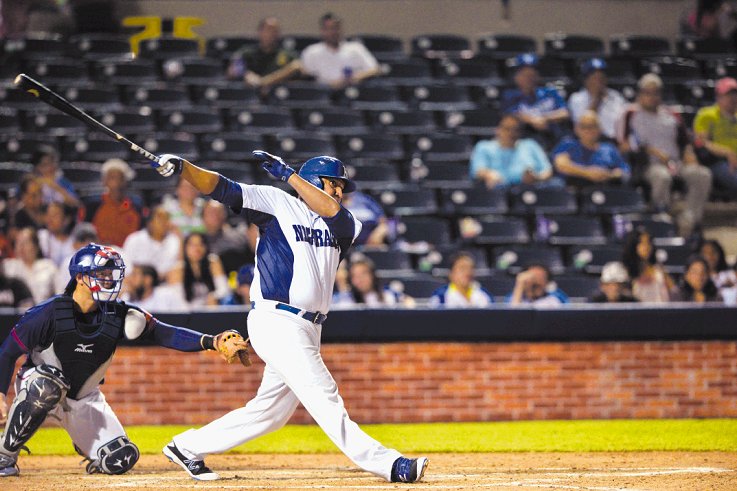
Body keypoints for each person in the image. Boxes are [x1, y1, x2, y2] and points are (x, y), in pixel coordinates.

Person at [152, 150, 428, 482]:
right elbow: (220, 187)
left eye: (342, 185)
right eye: (334, 183)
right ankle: (388, 464)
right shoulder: (276, 203)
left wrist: (290, 176)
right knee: (324, 394)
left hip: (309, 327)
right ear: (313, 181)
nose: (340, 190)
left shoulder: (345, 222)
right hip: (277, 321)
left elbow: (334, 213)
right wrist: (183, 168)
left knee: (269, 414)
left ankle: (186, 446)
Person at [0, 243, 249, 477]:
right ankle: (5, 456)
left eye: (111, 273)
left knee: (120, 458)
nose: (109, 279)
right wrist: (0, 394)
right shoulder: (47, 313)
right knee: (48, 386)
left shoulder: (120, 315)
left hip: (83, 398)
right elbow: (7, 352)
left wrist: (211, 341)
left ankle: (86, 443)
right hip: (39, 384)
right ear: (79, 278)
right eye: (101, 273)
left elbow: (166, 332)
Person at [618, 73, 712, 237]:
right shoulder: (631, 114)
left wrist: (690, 155)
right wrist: (650, 151)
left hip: (676, 163)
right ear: (640, 94)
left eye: (656, 92)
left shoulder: (672, 114)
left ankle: (689, 221)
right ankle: (663, 220)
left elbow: (685, 142)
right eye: (647, 92)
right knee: (662, 177)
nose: (652, 97)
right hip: (648, 165)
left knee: (702, 174)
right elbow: (623, 145)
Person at [469, 114, 560, 189]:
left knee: (557, 184)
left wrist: (536, 178)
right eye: (507, 129)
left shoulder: (530, 145)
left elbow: (547, 171)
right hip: (499, 187)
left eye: (515, 130)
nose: (511, 133)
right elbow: (478, 170)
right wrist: (488, 174)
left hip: (530, 187)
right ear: (498, 130)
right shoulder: (484, 146)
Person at [500, 53, 571, 148]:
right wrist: (532, 120)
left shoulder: (550, 92)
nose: (528, 78)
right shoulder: (510, 96)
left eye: (531, 74)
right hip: (524, 141)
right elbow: (511, 115)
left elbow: (564, 113)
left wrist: (544, 118)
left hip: (552, 138)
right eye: (524, 74)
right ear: (516, 77)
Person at [299, 12, 381, 89]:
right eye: (329, 29)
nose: (333, 32)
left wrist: (354, 78)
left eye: (336, 28)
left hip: (350, 91)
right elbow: (305, 77)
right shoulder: (311, 52)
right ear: (322, 31)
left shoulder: (356, 48)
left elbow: (375, 69)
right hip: (322, 93)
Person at [552, 110, 631, 187]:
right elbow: (561, 165)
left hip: (605, 189)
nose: (588, 130)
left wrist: (610, 175)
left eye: (592, 126)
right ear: (576, 129)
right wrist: (587, 173)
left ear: (600, 129)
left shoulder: (609, 149)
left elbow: (624, 170)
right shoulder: (568, 144)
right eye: (583, 127)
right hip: (574, 191)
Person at [82, 158, 145, 247]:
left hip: (128, 254)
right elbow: (85, 233)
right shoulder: (93, 204)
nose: (116, 182)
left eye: (120, 178)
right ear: (104, 181)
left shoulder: (136, 205)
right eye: (112, 178)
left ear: (126, 181)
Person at [693, 77, 737, 200]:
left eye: (735, 94)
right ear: (718, 96)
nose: (733, 98)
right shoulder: (707, 115)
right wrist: (728, 152)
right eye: (728, 94)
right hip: (718, 161)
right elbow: (701, 143)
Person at [226, 16, 300, 90]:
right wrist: (246, 74)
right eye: (268, 30)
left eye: (275, 31)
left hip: (277, 93)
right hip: (250, 93)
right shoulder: (247, 52)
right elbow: (232, 71)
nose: (271, 34)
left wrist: (265, 82)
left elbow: (299, 67)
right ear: (260, 32)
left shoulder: (287, 54)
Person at [568, 58, 626, 141]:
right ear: (586, 80)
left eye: (602, 77)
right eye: (595, 77)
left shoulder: (615, 96)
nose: (599, 81)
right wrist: (597, 99)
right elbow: (583, 125)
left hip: (616, 141)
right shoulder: (577, 98)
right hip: (592, 142)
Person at [168, 232, 230, 308]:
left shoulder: (213, 262)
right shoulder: (178, 270)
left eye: (201, 244)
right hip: (187, 312)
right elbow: (178, 300)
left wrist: (214, 296)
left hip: (210, 309)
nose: (197, 249)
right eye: (192, 245)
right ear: (185, 248)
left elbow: (224, 289)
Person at [122, 205, 181, 281]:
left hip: (167, 285)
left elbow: (179, 266)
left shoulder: (174, 240)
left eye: (167, 219)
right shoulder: (134, 239)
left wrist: (180, 237)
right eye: (160, 218)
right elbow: (126, 268)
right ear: (150, 222)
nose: (164, 222)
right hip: (138, 284)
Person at [622, 227, 677, 303]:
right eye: (642, 243)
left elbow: (674, 291)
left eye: (648, 243)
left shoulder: (659, 269)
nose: (646, 247)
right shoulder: (625, 271)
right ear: (633, 245)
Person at [3, 227, 57, 305]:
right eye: (18, 242)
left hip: (43, 312)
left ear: (36, 246)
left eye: (25, 242)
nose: (21, 246)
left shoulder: (49, 266)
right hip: (15, 314)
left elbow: (60, 293)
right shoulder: (8, 266)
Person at [202, 199, 256, 274]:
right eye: (211, 212)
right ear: (203, 216)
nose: (215, 216)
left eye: (219, 212)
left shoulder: (238, 236)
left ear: (225, 215)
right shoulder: (198, 240)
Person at [332, 257, 408, 307]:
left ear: (372, 274)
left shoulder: (389, 294)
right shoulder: (345, 299)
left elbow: (408, 302)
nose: (360, 279)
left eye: (363, 274)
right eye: (355, 276)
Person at [429, 252, 493, 307]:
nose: (468, 272)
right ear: (451, 274)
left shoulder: (484, 294)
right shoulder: (441, 297)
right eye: (462, 268)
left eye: (471, 268)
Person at [122, 264, 189, 312]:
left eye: (134, 276)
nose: (129, 279)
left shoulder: (167, 295)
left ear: (147, 280)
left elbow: (185, 317)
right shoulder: (126, 299)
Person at [698, 238, 737, 304]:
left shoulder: (731, 275)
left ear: (720, 253)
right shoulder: (697, 277)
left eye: (713, 252)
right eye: (705, 253)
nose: (710, 257)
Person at [37, 201, 75, 268]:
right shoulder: (41, 237)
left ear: (66, 219)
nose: (50, 219)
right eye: (48, 215)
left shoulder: (74, 242)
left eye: (55, 215)